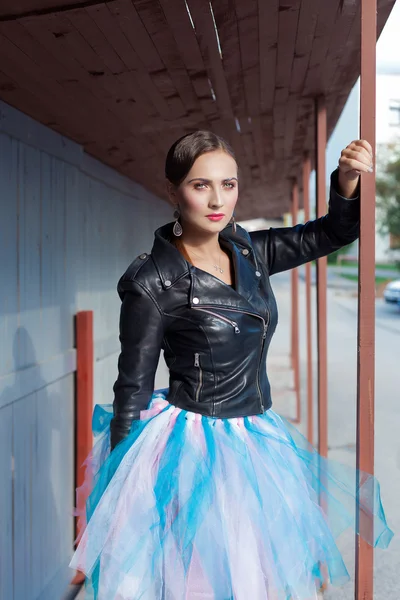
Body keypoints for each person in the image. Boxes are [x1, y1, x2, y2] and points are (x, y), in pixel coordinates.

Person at [70, 131, 393, 599]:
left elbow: (331, 233)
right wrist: (122, 501)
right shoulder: (153, 282)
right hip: (194, 448)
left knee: (253, 576)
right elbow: (131, 392)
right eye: (201, 186)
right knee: (201, 579)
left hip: (259, 439)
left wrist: (345, 181)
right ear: (173, 192)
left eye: (228, 184)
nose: (218, 200)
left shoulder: (248, 251)